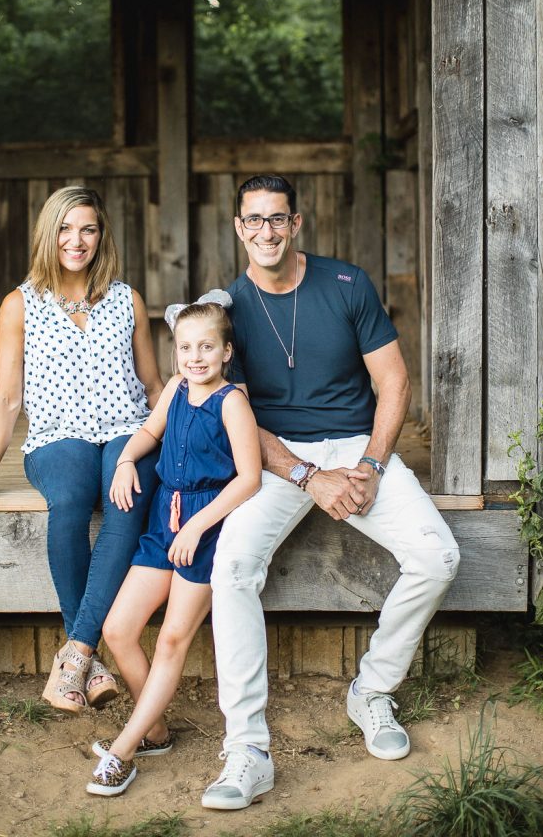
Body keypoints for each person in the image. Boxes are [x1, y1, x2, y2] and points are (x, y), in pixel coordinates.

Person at [201, 174, 461, 811]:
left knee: (439, 558)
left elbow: (394, 382)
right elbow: (230, 408)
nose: (266, 231)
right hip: (275, 459)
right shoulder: (226, 309)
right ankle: (248, 749)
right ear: (239, 228)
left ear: (296, 224)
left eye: (277, 219)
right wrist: (304, 475)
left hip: (356, 447)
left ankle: (371, 690)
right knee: (231, 567)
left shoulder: (347, 284)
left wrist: (371, 464)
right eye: (253, 220)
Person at [0, 186, 163, 714]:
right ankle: (87, 658)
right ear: (49, 234)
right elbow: (7, 399)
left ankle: (76, 657)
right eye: (66, 229)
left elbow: (154, 385)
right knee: (70, 499)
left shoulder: (126, 299)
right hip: (56, 435)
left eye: (88, 229)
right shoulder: (19, 304)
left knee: (126, 499)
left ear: (101, 235)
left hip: (126, 429)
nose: (77, 240)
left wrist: (177, 445)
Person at [85, 296, 262, 797]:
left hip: (205, 530)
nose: (195, 356)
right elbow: (148, 432)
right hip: (165, 522)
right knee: (119, 630)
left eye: (207, 346)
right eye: (186, 347)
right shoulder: (177, 392)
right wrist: (124, 461)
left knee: (171, 641)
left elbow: (248, 479)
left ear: (226, 351)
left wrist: (197, 527)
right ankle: (156, 732)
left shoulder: (232, 403)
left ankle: (122, 752)